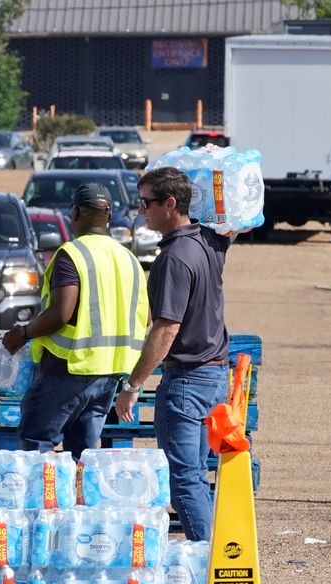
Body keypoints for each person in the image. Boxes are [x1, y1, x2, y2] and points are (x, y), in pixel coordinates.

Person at [115, 167, 230, 542]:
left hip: (187, 382)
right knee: (194, 474)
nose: (141, 210)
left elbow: (165, 329)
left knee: (183, 481)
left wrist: (133, 385)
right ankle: (211, 553)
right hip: (214, 377)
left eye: (146, 202)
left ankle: (206, 559)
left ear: (169, 204)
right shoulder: (209, 241)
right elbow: (236, 226)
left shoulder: (174, 258)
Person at [2, 183, 148, 459]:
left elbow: (60, 314)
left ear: (76, 213)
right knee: (83, 454)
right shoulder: (129, 259)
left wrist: (22, 333)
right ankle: (77, 489)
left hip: (69, 367)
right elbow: (146, 316)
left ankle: (44, 490)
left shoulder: (71, 254)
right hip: (110, 373)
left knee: (37, 443)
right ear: (109, 215)